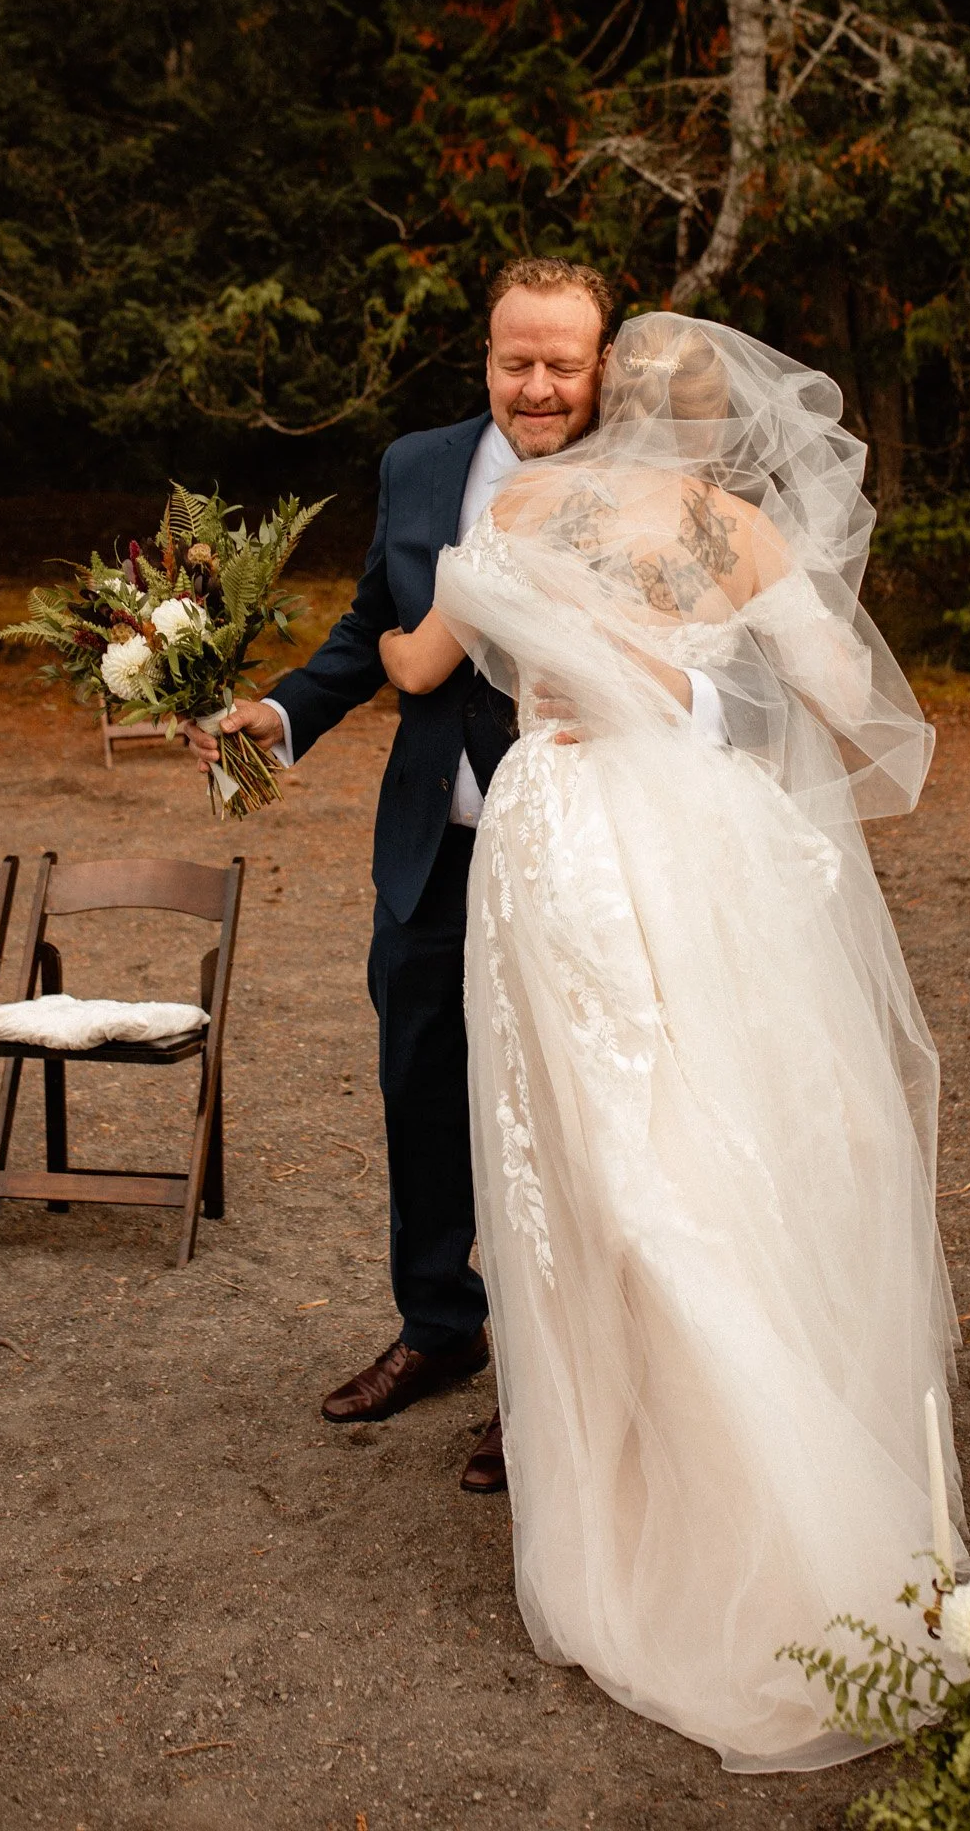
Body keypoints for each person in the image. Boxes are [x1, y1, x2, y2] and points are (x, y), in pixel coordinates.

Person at [379, 314, 966, 1771]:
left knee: (593, 1167)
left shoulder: (518, 507)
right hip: (703, 848)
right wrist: (700, 696)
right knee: (707, 1141)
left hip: (560, 842)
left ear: (604, 408)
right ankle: (758, 1491)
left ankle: (640, 1495)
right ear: (723, 423)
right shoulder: (745, 534)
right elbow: (853, 711)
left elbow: (412, 664)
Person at [190, 259, 720, 1491]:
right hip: (439, 848)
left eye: (562, 365)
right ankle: (440, 1326)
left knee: (571, 1120)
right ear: (483, 359)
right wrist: (279, 713)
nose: (535, 389)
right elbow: (370, 624)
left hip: (590, 859)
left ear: (605, 371)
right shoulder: (419, 466)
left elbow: (719, 672)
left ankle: (553, 1375)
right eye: (513, 361)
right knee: (422, 1088)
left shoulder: (643, 496)